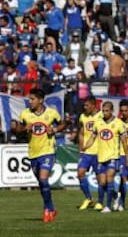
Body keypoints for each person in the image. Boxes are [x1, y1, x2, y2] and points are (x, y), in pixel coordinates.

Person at [17, 88, 66, 222]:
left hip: (48, 151)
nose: (30, 102)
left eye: (32, 99)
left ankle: (46, 209)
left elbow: (63, 124)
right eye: (29, 99)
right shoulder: (25, 114)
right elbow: (16, 129)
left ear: (40, 100)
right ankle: (52, 208)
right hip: (33, 153)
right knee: (41, 183)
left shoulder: (51, 113)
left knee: (43, 179)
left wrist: (54, 129)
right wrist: (23, 129)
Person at [82, 101, 128, 213]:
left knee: (109, 178)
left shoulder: (118, 123)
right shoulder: (98, 123)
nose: (104, 113)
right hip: (101, 157)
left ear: (112, 111)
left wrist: (127, 157)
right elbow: (92, 138)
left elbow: (124, 142)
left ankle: (107, 206)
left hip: (113, 157)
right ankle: (116, 196)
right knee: (102, 182)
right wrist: (85, 147)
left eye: (107, 111)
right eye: (103, 111)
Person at [77, 96, 103, 210]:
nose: (85, 107)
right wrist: (81, 149)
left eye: (87, 105)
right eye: (84, 105)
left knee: (101, 180)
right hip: (87, 152)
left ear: (93, 105)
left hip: (99, 152)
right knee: (80, 173)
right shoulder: (83, 117)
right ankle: (89, 198)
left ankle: (114, 195)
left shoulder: (101, 116)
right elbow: (82, 133)